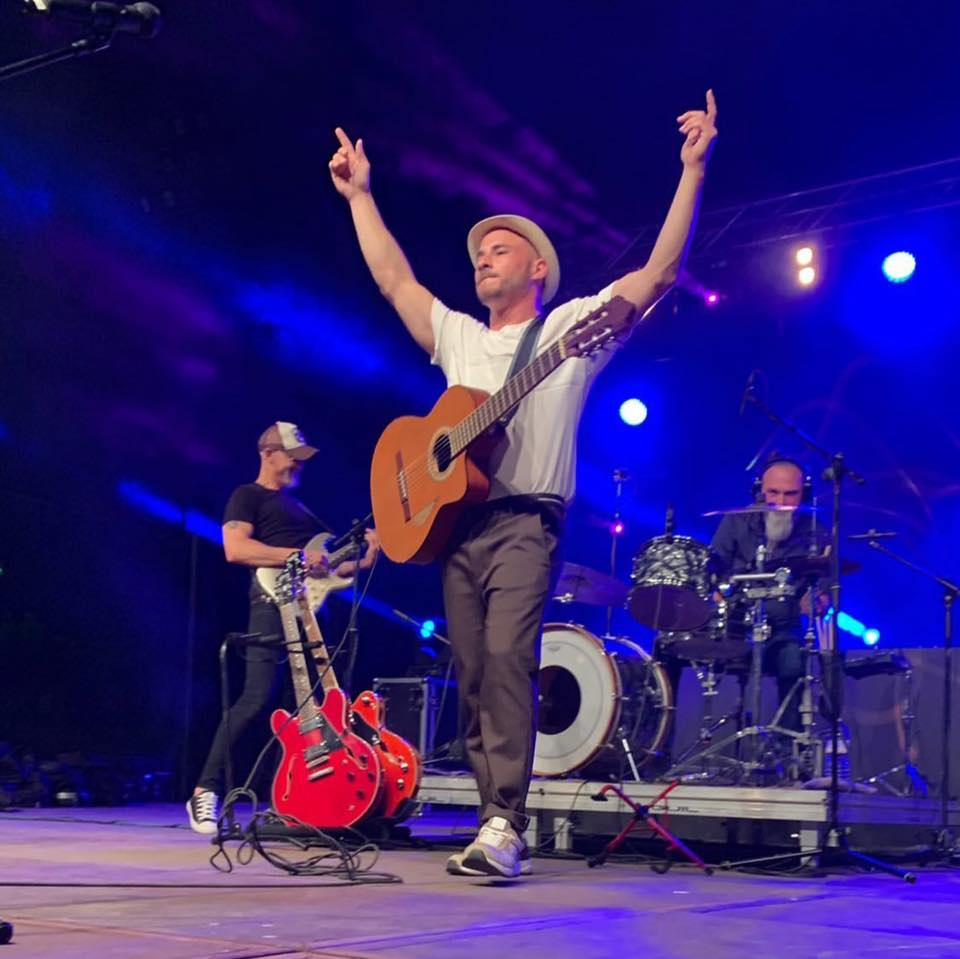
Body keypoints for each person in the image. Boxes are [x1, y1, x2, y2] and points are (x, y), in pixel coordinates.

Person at [329, 91, 718, 877]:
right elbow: (395, 281)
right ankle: (491, 817)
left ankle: (507, 822)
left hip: (524, 525)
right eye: (479, 250)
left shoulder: (572, 327)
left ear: (537, 268)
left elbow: (659, 271)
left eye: (499, 248)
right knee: (474, 672)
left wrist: (693, 170)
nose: (482, 257)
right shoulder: (460, 337)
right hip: (454, 525)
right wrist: (361, 196)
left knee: (509, 656)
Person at [186, 421, 378, 835]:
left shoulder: (301, 510)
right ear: (268, 454)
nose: (299, 465)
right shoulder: (247, 496)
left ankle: (289, 803)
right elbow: (236, 548)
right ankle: (205, 790)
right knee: (256, 698)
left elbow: (329, 570)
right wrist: (297, 556)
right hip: (273, 604)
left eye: (302, 459)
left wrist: (365, 558)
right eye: (293, 457)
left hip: (312, 611)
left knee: (303, 711)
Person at [708, 457, 828, 735]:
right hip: (736, 629)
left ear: (804, 494)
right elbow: (712, 571)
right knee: (668, 648)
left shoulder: (816, 532)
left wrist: (818, 600)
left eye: (790, 494)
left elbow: (825, 589)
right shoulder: (736, 522)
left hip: (784, 631)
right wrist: (717, 593)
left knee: (795, 662)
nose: (780, 502)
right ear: (759, 491)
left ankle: (787, 747)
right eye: (773, 493)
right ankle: (659, 748)